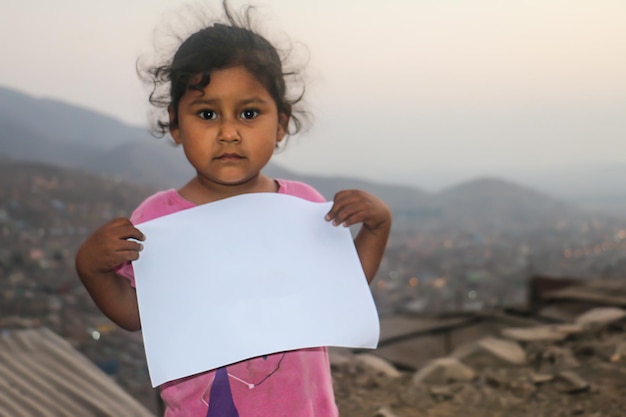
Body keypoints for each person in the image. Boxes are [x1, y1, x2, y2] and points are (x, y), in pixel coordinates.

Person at [75, 2, 391, 416]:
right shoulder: (159, 218)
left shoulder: (301, 206)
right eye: (207, 114)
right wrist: (91, 268)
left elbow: (335, 292)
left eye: (249, 113)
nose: (228, 132)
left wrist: (376, 229)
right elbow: (136, 315)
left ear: (280, 123)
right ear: (175, 124)